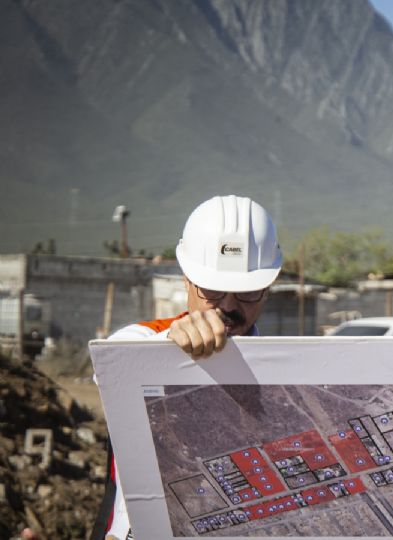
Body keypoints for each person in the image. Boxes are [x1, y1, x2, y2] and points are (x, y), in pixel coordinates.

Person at [90, 195, 283, 539]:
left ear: (267, 289)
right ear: (186, 279)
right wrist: (169, 350)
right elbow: (114, 368)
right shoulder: (141, 338)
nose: (228, 306)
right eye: (212, 289)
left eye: (246, 292)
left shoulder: (286, 372)